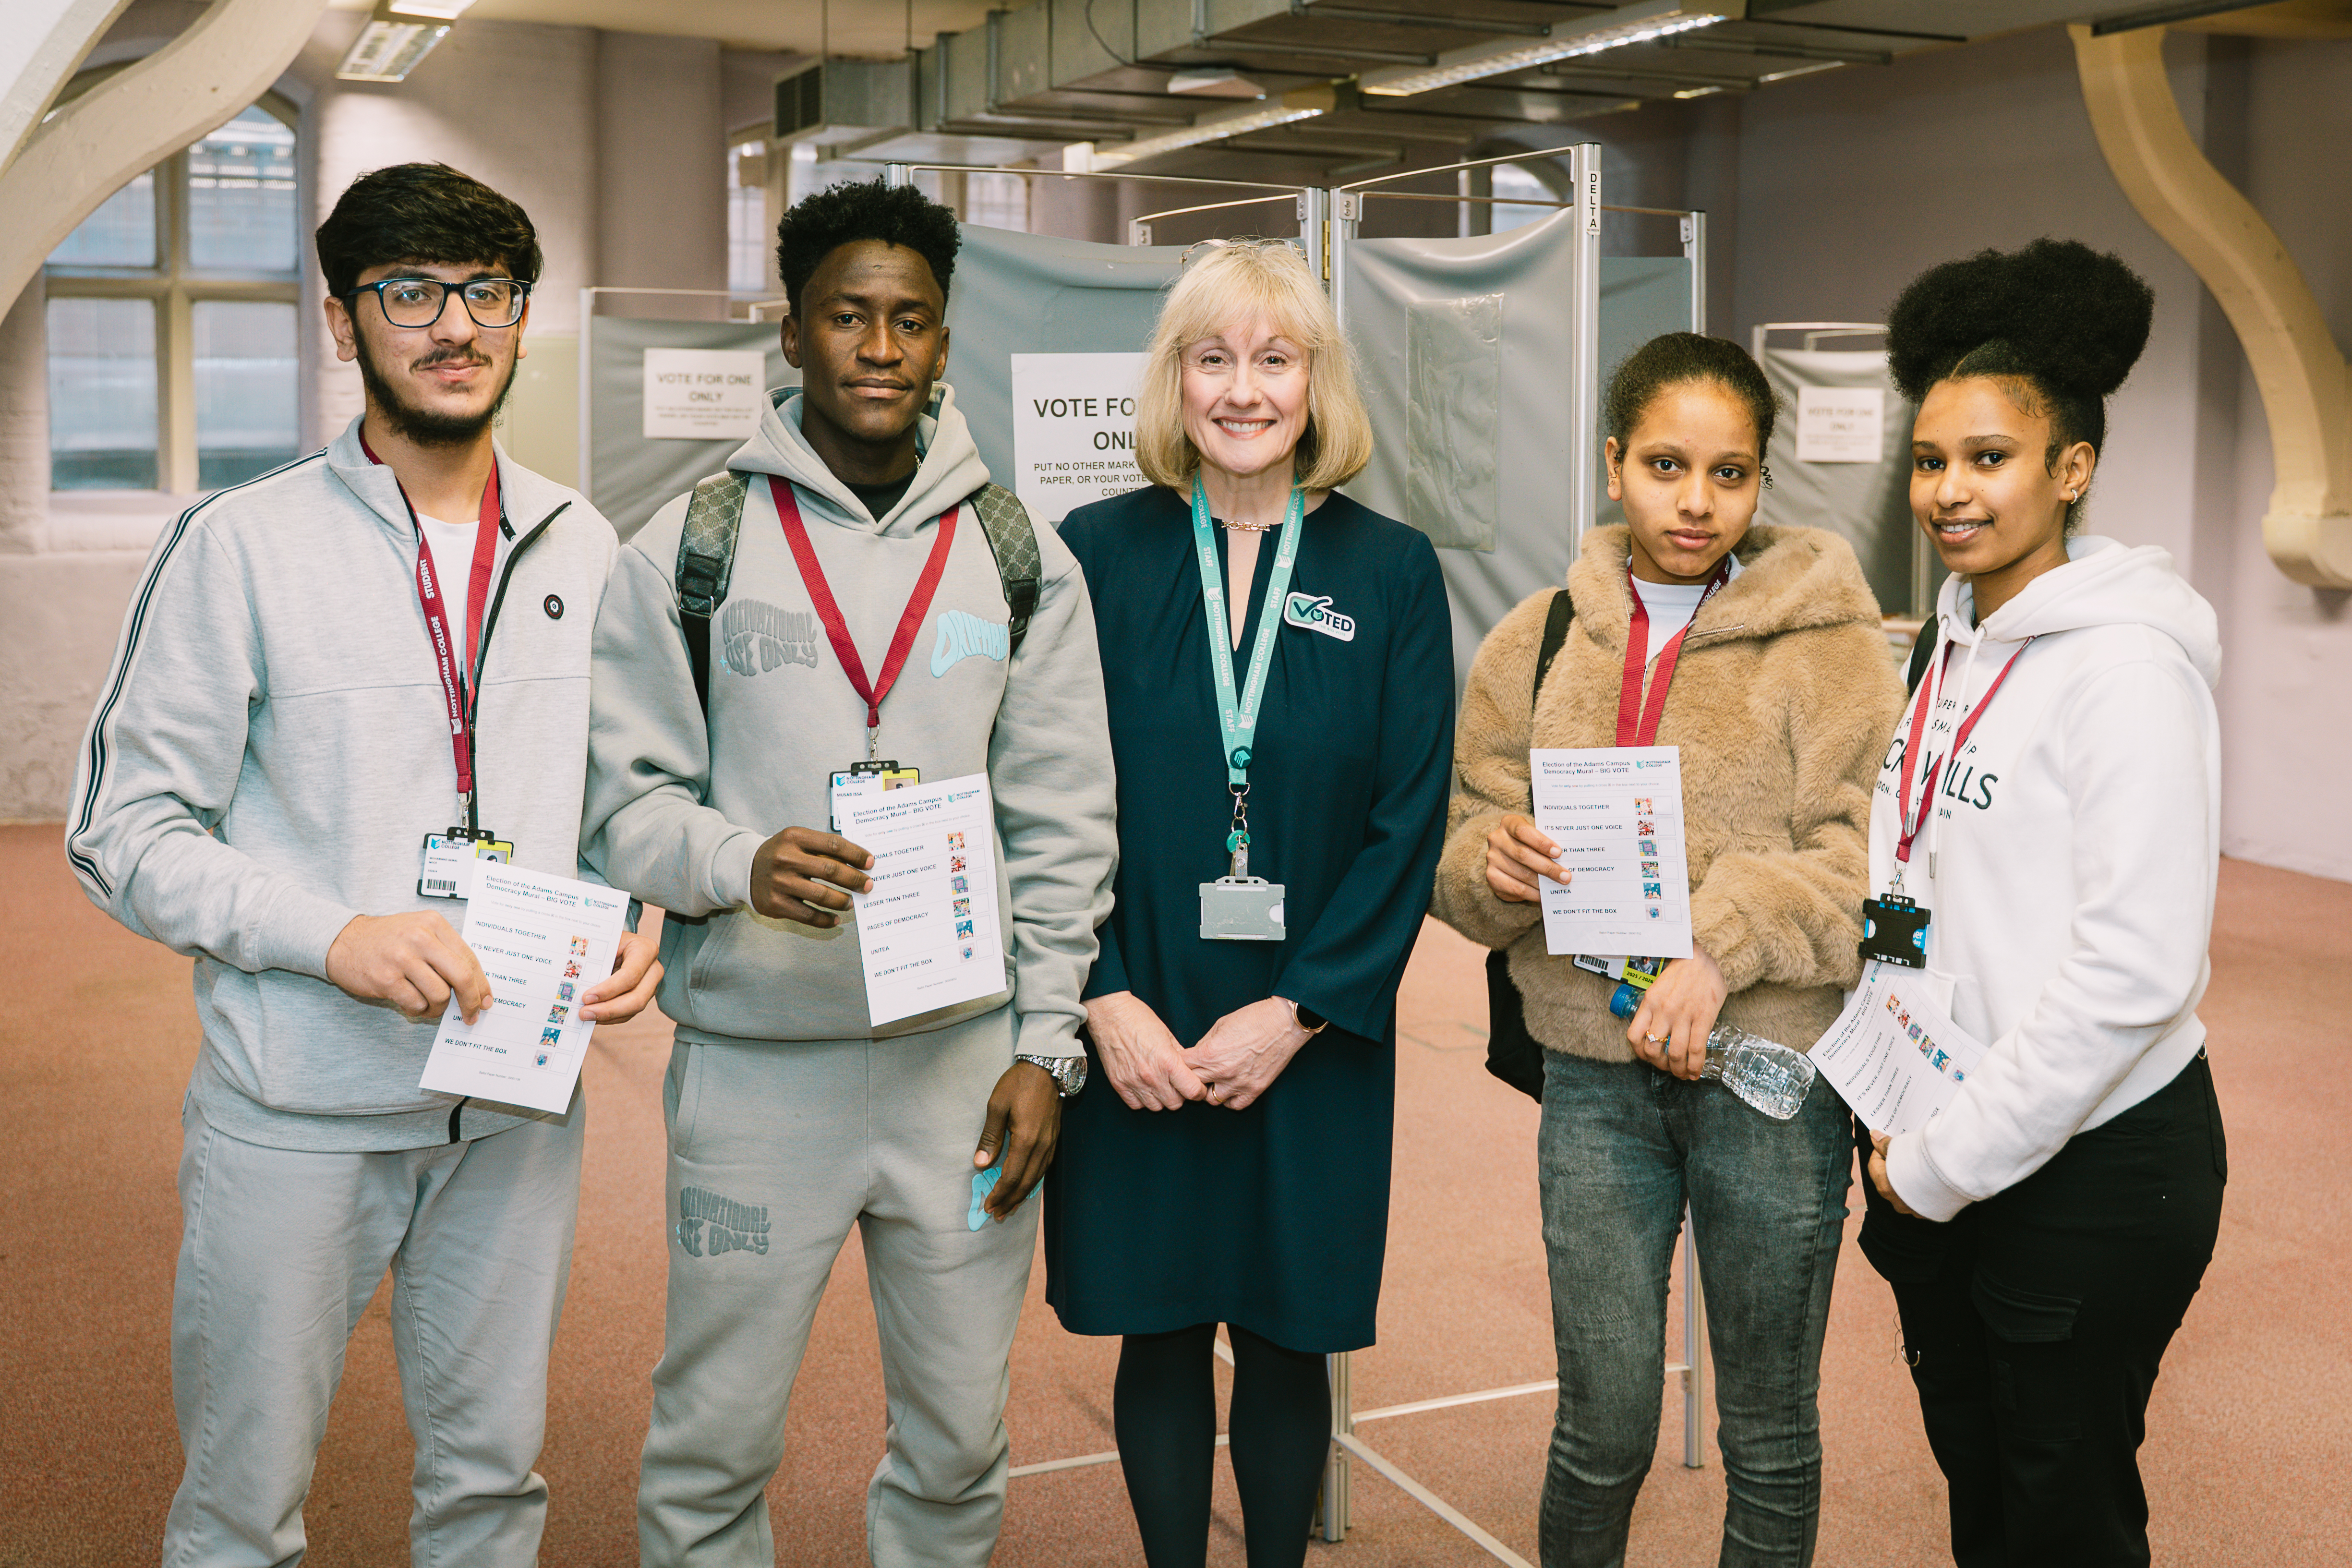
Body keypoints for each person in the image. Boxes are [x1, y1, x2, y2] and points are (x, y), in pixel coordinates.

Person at [63, 162, 663, 1567]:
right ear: (344, 323)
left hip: (514, 1113)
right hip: (299, 1109)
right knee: (240, 1508)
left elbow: (634, 794)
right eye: (409, 292)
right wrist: (328, 935)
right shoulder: (241, 546)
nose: (453, 326)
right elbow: (122, 830)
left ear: (518, 317)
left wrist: (639, 910)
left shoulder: (585, 543)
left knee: (490, 1489)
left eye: (485, 293)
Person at [580, 178, 1116, 1568]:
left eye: (910, 321)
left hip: (962, 1077)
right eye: (847, 316)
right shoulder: (688, 547)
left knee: (956, 1441)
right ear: (792, 331)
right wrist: (733, 859)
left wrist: (1045, 1049)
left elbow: (1065, 825)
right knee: (714, 1440)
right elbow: (616, 807)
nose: (879, 347)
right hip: (759, 1074)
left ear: (943, 343)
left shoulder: (1017, 557)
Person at [1431, 333, 1905, 1567]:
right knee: (1602, 1422)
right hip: (1591, 1074)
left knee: (1766, 1428)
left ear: (1760, 481)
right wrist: (1487, 862)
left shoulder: (1828, 643)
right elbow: (1462, 826)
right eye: (1663, 465)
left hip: (1768, 1075)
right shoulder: (1537, 637)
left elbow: (1863, 861)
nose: (1694, 501)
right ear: (1611, 464)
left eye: (1729, 473)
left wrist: (1718, 945)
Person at [1041, 240, 1455, 1568]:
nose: (1242, 389)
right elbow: (1038, 791)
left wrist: (1300, 1013)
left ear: (1315, 381)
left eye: (1273, 359)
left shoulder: (1390, 569)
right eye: (1211, 358)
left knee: (1290, 1327)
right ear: (1174, 380)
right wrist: (1099, 997)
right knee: (1156, 1322)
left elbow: (1408, 819)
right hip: (1140, 1021)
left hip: (1310, 1035)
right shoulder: (1094, 555)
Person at [1858, 239, 2225, 1568]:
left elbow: (2134, 971)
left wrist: (1943, 1163)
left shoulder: (2126, 668)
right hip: (1950, 1135)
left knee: (2062, 1510)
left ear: (2069, 469)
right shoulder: (1949, 636)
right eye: (1929, 459)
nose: (1948, 491)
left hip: (2092, 1159)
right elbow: (1922, 881)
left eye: (1988, 457)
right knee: (1985, 1494)